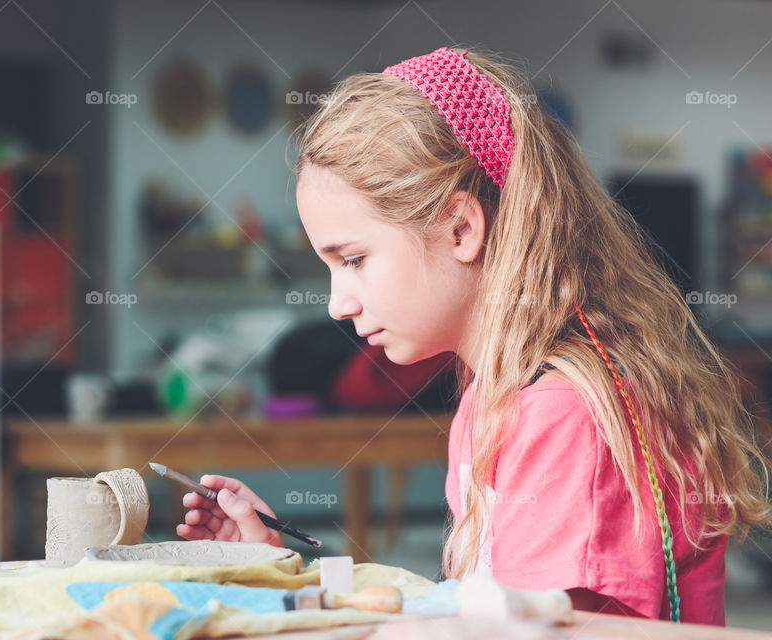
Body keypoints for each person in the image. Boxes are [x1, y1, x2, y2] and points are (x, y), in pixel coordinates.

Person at [175, 47, 772, 625]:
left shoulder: (563, 415)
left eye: (353, 259)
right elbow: (463, 604)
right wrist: (282, 566)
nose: (336, 304)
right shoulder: (494, 397)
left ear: (461, 227)